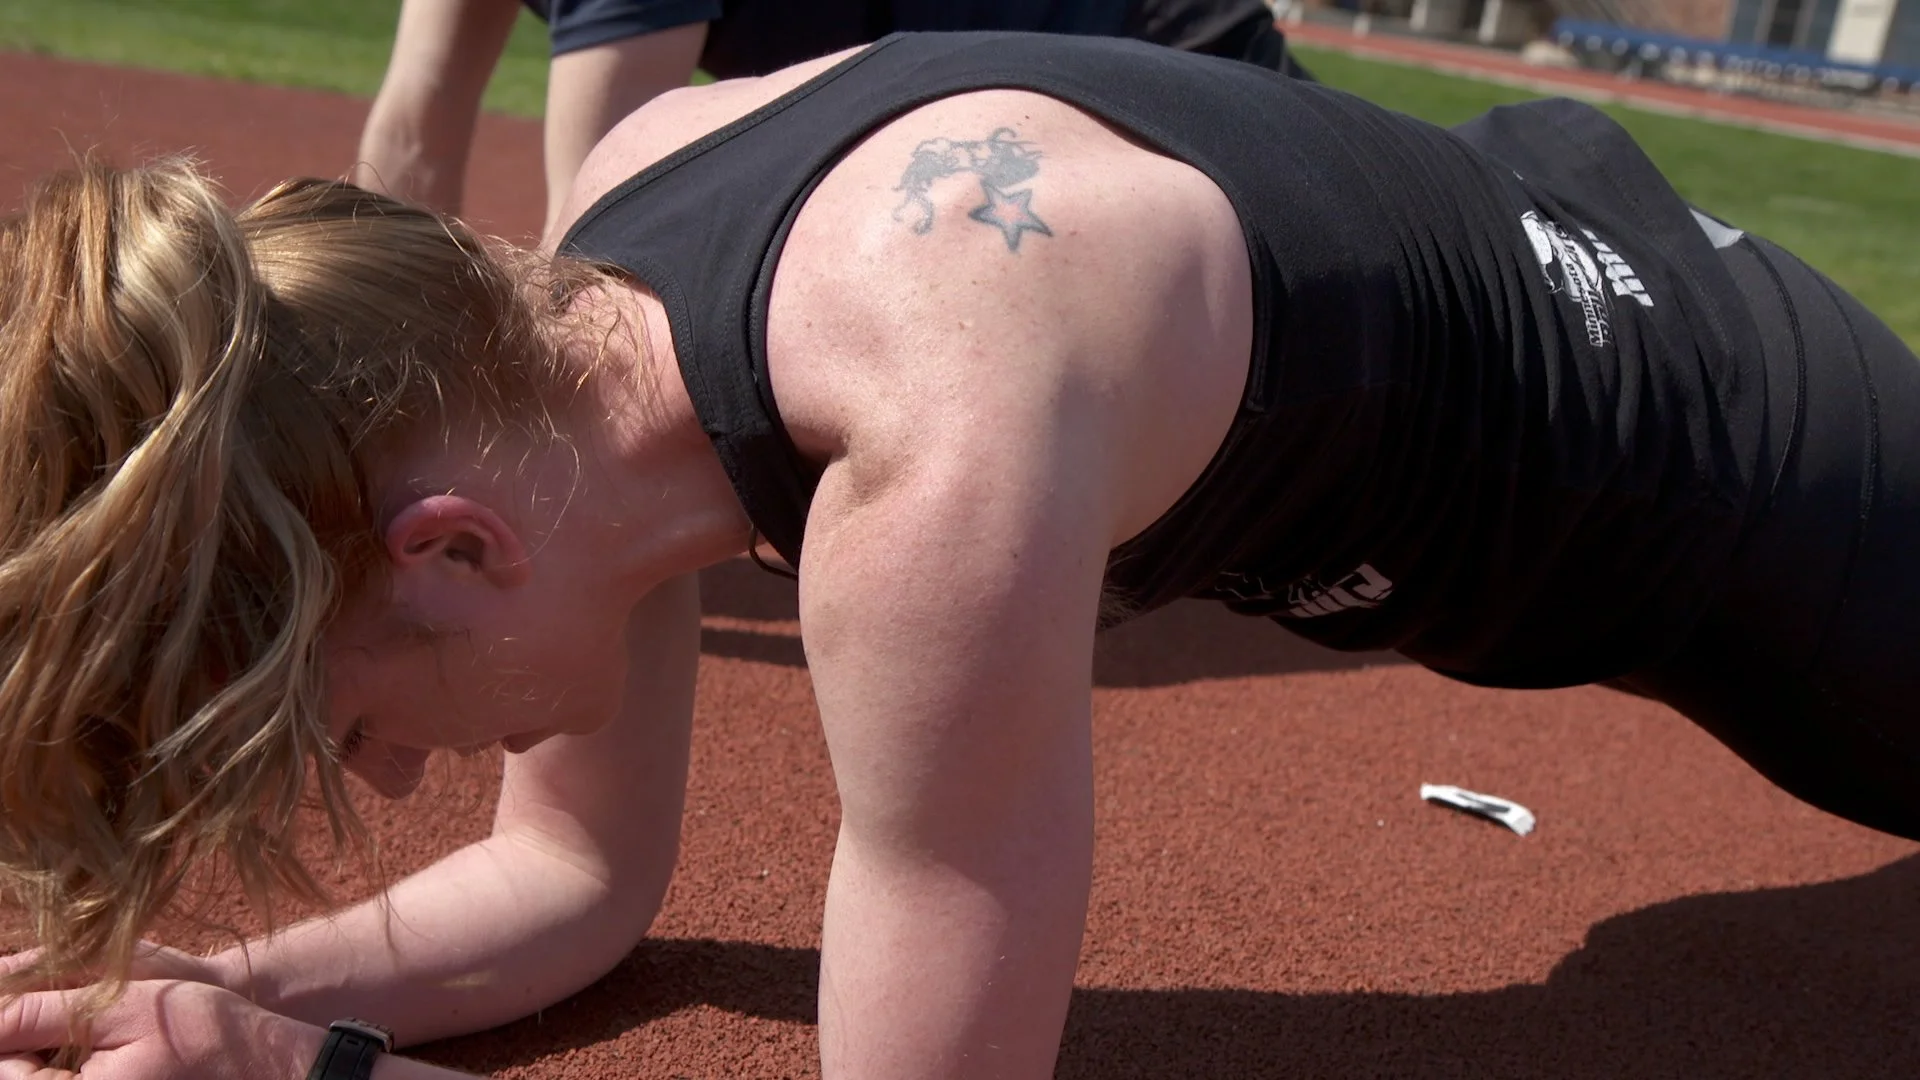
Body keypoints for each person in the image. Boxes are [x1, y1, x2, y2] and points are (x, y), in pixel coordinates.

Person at [4, 27, 1919, 1080]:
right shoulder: (581, 327)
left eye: (350, 724)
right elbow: (571, 881)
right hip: (1527, 294)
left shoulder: (933, 427)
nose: (396, 777)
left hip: (1745, 473)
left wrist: (310, 1078)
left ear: (455, 551)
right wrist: (209, 987)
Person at [354, 0, 1308, 236]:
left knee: (1351, 252)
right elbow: (411, 136)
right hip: (967, 62)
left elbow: (607, 226)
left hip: (1143, 34)